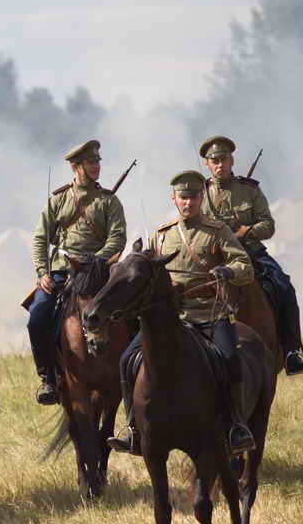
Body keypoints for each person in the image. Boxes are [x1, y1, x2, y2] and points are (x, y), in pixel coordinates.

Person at [109, 170, 256, 456]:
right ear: (174, 199)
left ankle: (236, 425)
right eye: (182, 197)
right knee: (127, 358)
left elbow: (245, 266)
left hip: (209, 314)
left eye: (193, 197)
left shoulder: (218, 231)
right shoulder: (162, 236)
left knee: (229, 358)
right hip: (170, 319)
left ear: (201, 198)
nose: (188, 202)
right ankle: (132, 427)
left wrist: (228, 270)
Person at [200, 135, 303, 375]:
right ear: (207, 164)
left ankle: (292, 351)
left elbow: (268, 226)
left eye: (225, 159)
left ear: (232, 161)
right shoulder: (199, 195)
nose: (220, 164)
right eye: (215, 160)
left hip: (252, 252)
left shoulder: (249, 190)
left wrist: (247, 230)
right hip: (214, 257)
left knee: (283, 286)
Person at [27, 140, 126, 404]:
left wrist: (95, 263)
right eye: (90, 163)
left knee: (135, 314)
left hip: (100, 274)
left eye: (97, 162)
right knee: (37, 317)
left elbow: (117, 238)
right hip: (62, 272)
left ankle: (134, 377)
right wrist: (42, 271)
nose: (95, 167)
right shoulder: (58, 200)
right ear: (75, 167)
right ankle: (48, 377)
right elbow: (39, 238)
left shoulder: (109, 201)